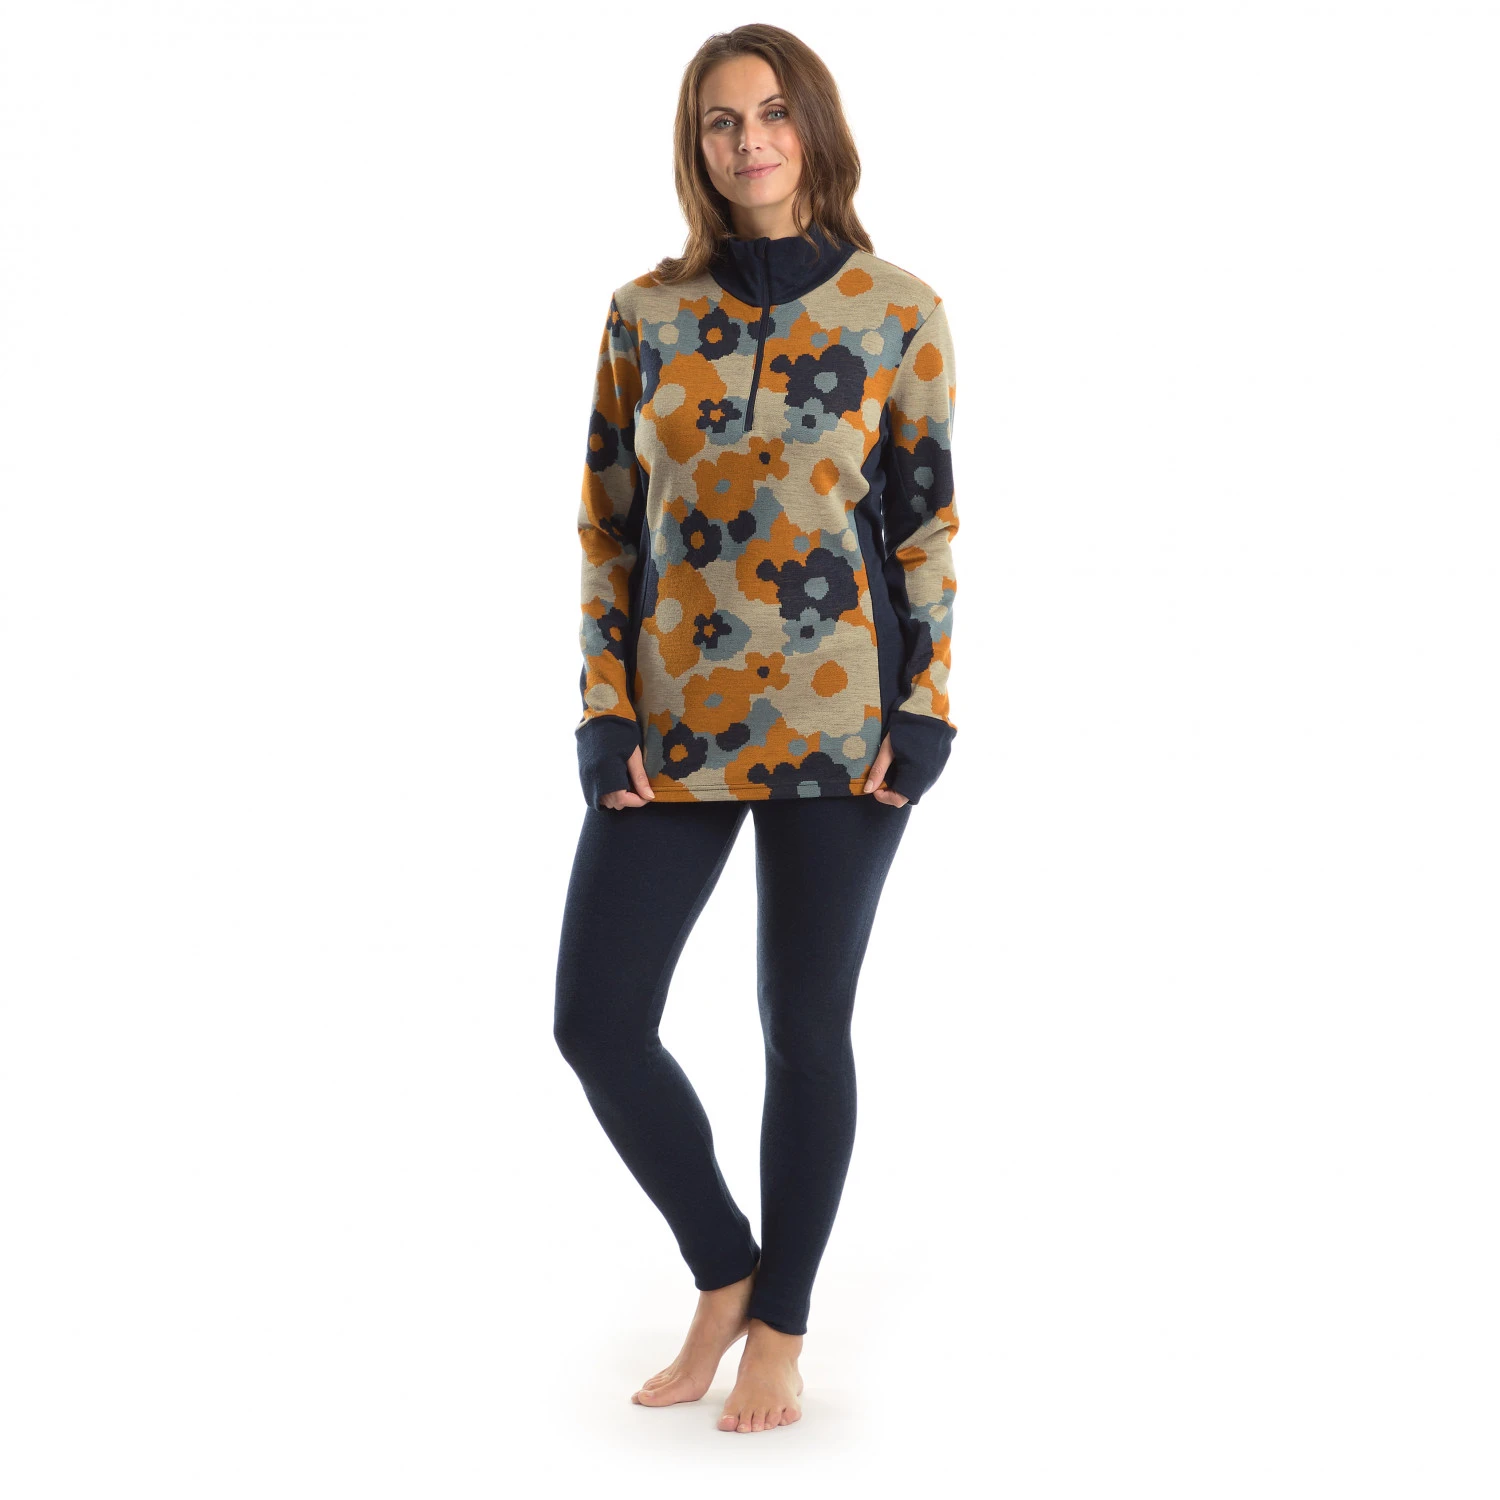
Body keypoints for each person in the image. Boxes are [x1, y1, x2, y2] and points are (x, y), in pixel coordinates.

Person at [553, 23, 959, 1436]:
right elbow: (607, 531)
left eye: (774, 113)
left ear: (813, 129)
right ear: (699, 146)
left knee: (804, 1025)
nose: (750, 140)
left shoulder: (897, 311)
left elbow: (927, 525)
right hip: (670, 727)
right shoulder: (643, 315)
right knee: (598, 1022)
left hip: (845, 727)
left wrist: (927, 704)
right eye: (723, 121)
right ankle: (726, 1269)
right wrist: (604, 710)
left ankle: (782, 1326)